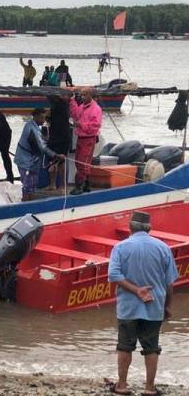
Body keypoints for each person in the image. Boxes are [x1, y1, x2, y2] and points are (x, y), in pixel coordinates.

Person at [107, 211, 178, 396]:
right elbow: (169, 283)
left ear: (130, 227)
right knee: (152, 347)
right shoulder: (163, 248)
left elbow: (114, 275)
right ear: (149, 228)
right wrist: (167, 306)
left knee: (124, 346)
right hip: (154, 307)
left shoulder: (120, 247)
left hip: (127, 308)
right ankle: (149, 388)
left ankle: (121, 386)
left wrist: (135, 290)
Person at [14, 108, 65, 200]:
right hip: (25, 161)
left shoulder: (31, 125)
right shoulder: (32, 129)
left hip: (32, 161)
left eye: (44, 118)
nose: (43, 120)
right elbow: (42, 147)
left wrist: (45, 139)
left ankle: (29, 202)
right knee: (27, 185)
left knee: (33, 184)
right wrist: (56, 155)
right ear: (35, 116)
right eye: (42, 118)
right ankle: (25, 202)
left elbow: (39, 141)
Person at [69, 87, 102, 195]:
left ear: (90, 96)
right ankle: (86, 184)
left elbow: (95, 126)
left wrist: (80, 125)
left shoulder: (96, 109)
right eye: (81, 95)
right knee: (79, 162)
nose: (82, 97)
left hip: (88, 139)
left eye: (84, 95)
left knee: (83, 163)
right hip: (81, 137)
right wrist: (72, 100)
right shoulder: (82, 107)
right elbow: (75, 114)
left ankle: (79, 186)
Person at [46, 94, 71, 191]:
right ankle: (53, 184)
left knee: (61, 162)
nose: (47, 99)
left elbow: (58, 120)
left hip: (62, 137)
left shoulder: (62, 105)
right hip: (54, 135)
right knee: (52, 160)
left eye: (49, 97)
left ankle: (63, 185)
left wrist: (48, 116)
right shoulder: (54, 106)